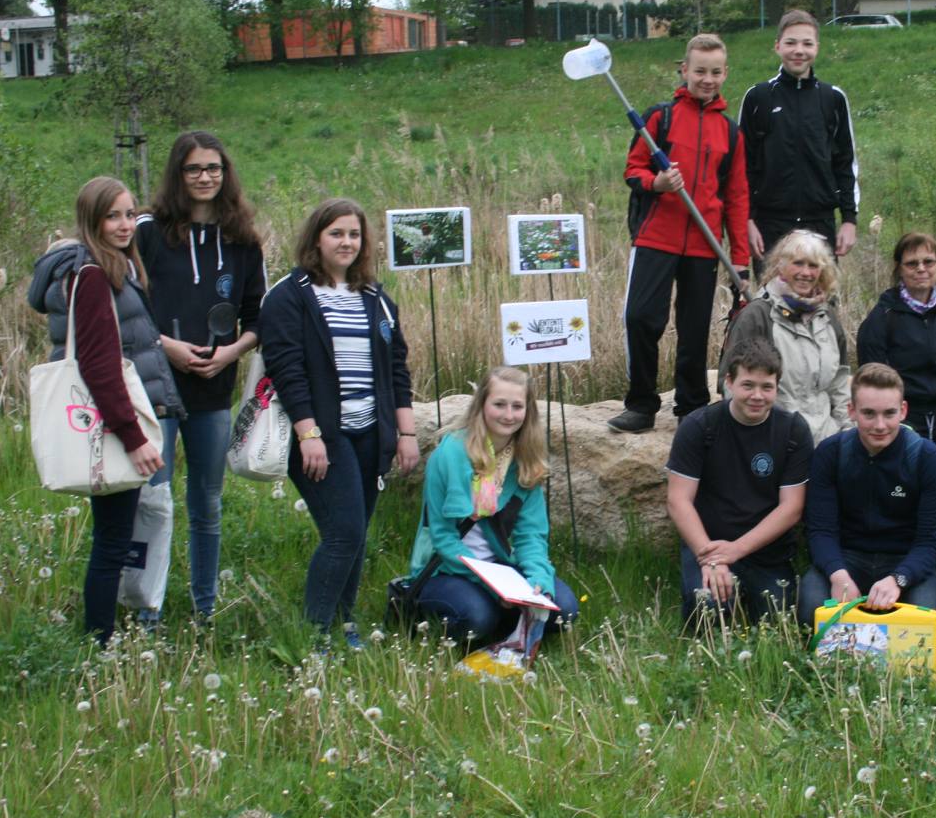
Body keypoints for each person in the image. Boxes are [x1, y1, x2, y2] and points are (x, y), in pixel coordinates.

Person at [27, 176, 184, 645]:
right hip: (113, 425)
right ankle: (99, 643)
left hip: (110, 421)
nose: (124, 225)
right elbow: (99, 366)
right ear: (91, 220)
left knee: (113, 535)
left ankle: (107, 634)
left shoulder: (109, 267)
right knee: (113, 540)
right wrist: (133, 438)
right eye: (112, 216)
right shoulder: (93, 275)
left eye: (130, 214)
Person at [259, 198, 418, 648]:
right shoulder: (290, 296)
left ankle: (345, 623)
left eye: (354, 234)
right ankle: (313, 634)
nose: (347, 242)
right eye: (336, 233)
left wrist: (405, 433)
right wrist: (308, 434)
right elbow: (287, 371)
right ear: (316, 238)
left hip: (370, 431)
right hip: (320, 435)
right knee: (344, 533)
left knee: (355, 533)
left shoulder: (376, 299)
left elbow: (397, 369)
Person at [137, 130, 267, 624]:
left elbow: (257, 318)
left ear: (225, 173)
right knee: (153, 500)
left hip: (213, 391)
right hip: (155, 388)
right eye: (193, 169)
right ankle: (147, 611)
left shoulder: (242, 240)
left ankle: (204, 607)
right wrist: (164, 346)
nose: (205, 177)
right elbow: (126, 309)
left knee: (207, 503)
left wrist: (231, 352)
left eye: (213, 168)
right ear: (178, 174)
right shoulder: (148, 233)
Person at [608, 32, 750, 434]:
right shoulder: (660, 118)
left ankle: (691, 406)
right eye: (700, 71)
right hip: (656, 237)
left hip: (705, 244)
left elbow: (737, 198)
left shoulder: (731, 132)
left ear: (725, 73)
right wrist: (657, 183)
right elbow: (633, 169)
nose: (707, 79)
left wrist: (740, 259)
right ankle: (641, 404)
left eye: (715, 72)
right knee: (641, 318)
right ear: (685, 70)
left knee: (694, 328)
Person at [409, 366, 579, 644]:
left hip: (501, 566)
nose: (508, 415)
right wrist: (492, 587)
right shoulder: (449, 454)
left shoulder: (526, 460)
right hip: (448, 566)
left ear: (528, 411)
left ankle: (509, 614)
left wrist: (538, 580)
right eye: (499, 404)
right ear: (481, 405)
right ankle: (476, 613)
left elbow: (531, 535)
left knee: (564, 610)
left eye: (517, 406)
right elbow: (443, 537)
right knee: (477, 618)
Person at [668, 338, 813, 627]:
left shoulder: (793, 430)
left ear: (777, 387)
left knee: (779, 619)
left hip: (766, 549)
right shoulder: (699, 426)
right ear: (729, 383)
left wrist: (735, 550)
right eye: (748, 385)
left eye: (767, 387)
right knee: (707, 608)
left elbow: (792, 508)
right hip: (707, 543)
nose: (757, 396)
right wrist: (711, 558)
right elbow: (678, 500)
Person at [799, 363, 936, 627]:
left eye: (889, 413)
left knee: (931, 622)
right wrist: (838, 575)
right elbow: (821, 530)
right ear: (852, 411)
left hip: (905, 560)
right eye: (869, 414)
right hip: (845, 556)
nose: (880, 425)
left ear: (903, 410)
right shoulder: (830, 453)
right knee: (811, 612)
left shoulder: (928, 458)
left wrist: (899, 579)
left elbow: (931, 540)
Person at [738, 9, 859, 268]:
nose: (799, 50)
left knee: (820, 295)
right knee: (772, 295)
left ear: (817, 47)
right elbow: (742, 165)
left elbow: (846, 163)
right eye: (791, 43)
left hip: (820, 224)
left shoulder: (833, 98)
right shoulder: (758, 97)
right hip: (770, 225)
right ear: (777, 46)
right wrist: (747, 220)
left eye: (807, 43)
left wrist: (849, 219)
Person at [719, 229, 852, 444]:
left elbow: (840, 385)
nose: (805, 272)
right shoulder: (757, 316)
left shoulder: (828, 317)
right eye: (798, 263)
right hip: (774, 440)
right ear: (780, 266)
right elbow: (730, 387)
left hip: (828, 438)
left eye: (813, 265)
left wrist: (848, 435)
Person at [856, 231, 936, 462]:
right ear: (899, 268)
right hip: (899, 425)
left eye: (928, 262)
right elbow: (872, 386)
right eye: (912, 263)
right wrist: (902, 434)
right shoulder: (881, 319)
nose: (921, 269)